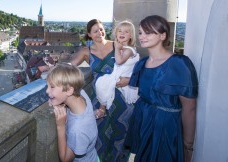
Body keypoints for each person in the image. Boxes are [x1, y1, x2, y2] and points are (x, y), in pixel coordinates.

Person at [124, 15, 198, 162]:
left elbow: (189, 108)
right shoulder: (141, 64)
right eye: (140, 32)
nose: (142, 36)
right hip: (143, 120)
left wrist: (188, 145)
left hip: (165, 126)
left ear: (163, 35)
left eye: (148, 32)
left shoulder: (179, 64)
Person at [70, 19, 133, 162]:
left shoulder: (117, 44)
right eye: (95, 31)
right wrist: (51, 69)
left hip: (120, 98)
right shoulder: (86, 51)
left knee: (121, 131)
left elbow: (133, 64)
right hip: (99, 98)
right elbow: (70, 65)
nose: (99, 32)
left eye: (101, 29)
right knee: (99, 132)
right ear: (89, 35)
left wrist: (128, 80)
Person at [46, 64, 98, 162]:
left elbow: (65, 159)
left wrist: (60, 126)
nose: (47, 90)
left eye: (52, 87)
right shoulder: (81, 94)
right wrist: (56, 99)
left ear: (69, 90)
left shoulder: (77, 130)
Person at [95, 20, 140, 117]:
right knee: (101, 82)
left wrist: (117, 48)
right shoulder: (123, 48)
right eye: (120, 31)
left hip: (124, 76)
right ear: (116, 33)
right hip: (119, 74)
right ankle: (103, 108)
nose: (122, 33)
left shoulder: (129, 50)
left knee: (101, 82)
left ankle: (102, 108)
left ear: (131, 35)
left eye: (126, 32)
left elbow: (119, 61)